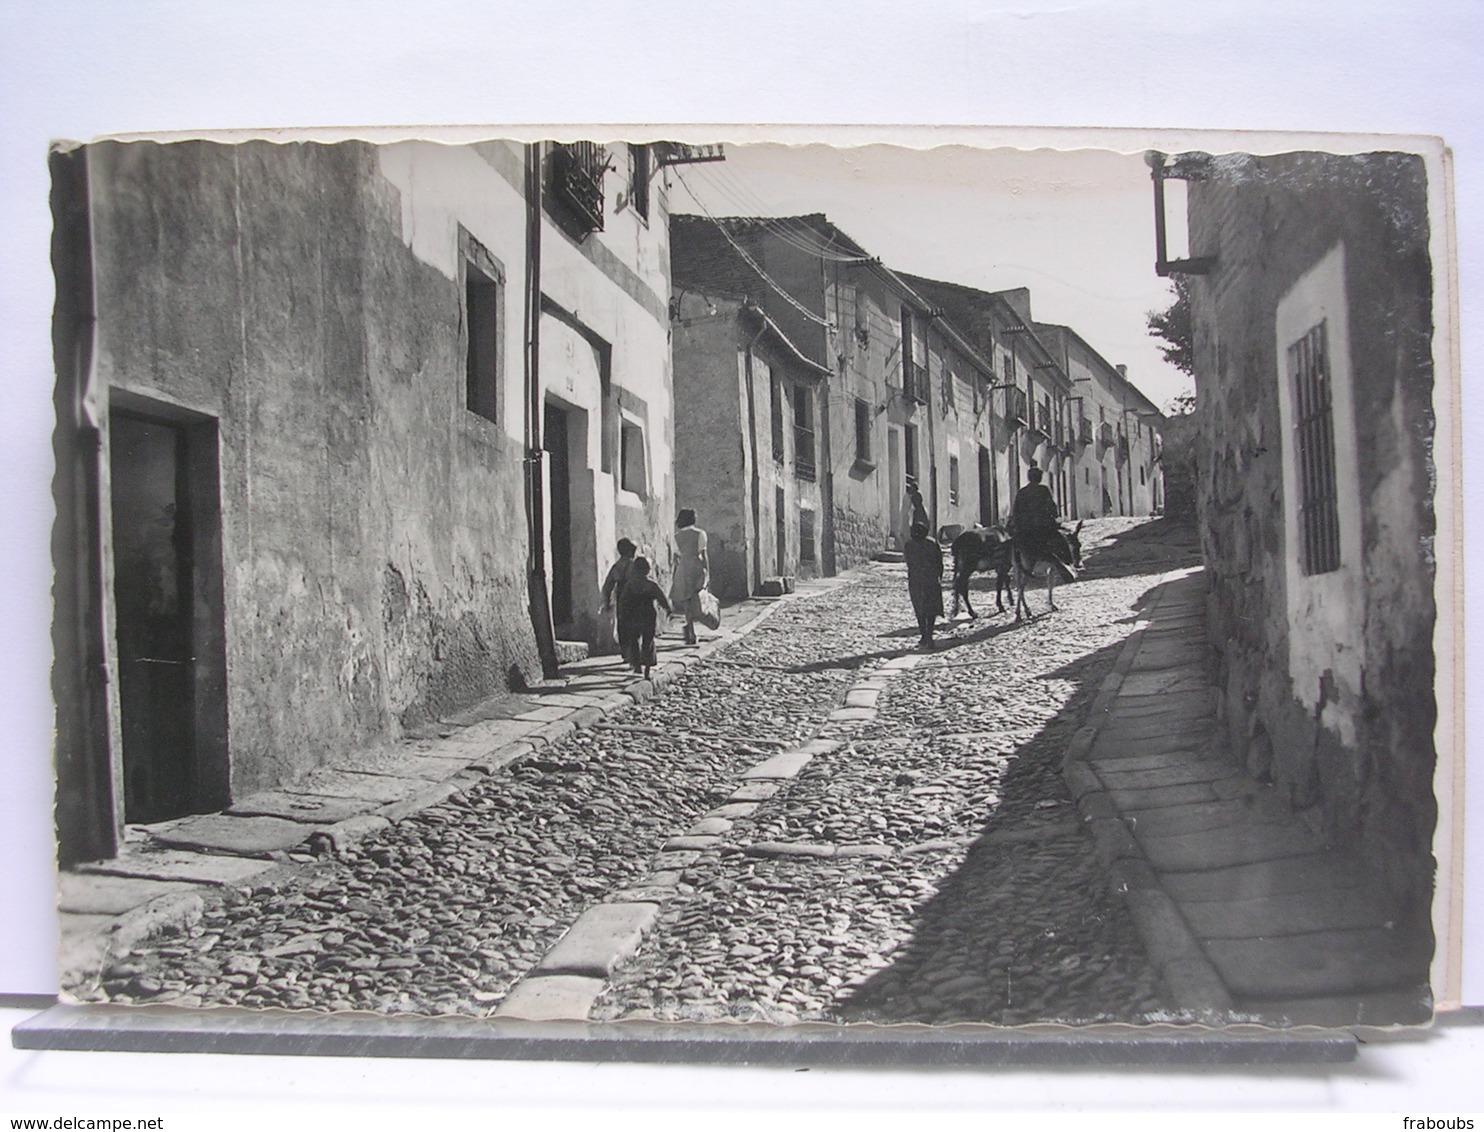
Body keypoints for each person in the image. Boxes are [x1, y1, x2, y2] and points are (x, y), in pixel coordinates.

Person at [617, 556, 671, 679]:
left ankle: (637, 665)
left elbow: (623, 601)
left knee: (634, 641)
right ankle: (647, 667)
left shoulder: (630, 585)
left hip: (633, 616)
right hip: (648, 616)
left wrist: (621, 614)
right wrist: (668, 609)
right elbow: (661, 598)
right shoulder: (651, 585)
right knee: (648, 641)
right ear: (648, 570)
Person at [1009, 466, 1073, 569]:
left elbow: (1016, 510)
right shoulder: (1043, 490)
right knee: (1062, 542)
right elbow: (1051, 506)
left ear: (1029, 477)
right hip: (1043, 528)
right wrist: (1055, 517)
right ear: (1039, 478)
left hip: (1024, 530)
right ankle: (1069, 563)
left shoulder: (1022, 492)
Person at [669, 508, 709, 646]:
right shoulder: (700, 534)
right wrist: (707, 572)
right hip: (696, 566)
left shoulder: (676, 536)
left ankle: (690, 630)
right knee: (696, 597)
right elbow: (703, 555)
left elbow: (675, 556)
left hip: (683, 568)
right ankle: (692, 630)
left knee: (686, 602)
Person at [903, 520, 944, 650]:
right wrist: (939, 577)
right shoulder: (932, 544)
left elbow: (909, 563)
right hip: (931, 580)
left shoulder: (909, 546)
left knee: (919, 609)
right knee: (931, 609)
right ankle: (929, 635)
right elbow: (939, 562)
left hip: (916, 581)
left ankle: (924, 635)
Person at [600, 538, 638, 665]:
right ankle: (633, 651)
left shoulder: (616, 567)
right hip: (633, 596)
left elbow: (608, 586)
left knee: (622, 624)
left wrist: (607, 601)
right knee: (634, 624)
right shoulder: (635, 565)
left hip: (621, 597)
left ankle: (626, 651)